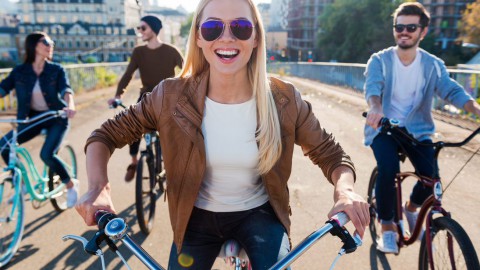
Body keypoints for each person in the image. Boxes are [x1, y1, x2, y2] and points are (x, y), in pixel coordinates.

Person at [76, 0, 369, 268]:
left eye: (240, 28)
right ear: (199, 38)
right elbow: (105, 135)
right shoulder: (169, 95)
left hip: (260, 213)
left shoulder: (284, 99)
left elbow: (331, 154)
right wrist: (98, 188)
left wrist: (344, 190)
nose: (226, 37)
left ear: (255, 38)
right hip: (195, 218)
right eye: (213, 27)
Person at [364, 2, 480, 254]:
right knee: (388, 169)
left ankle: (411, 208)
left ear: (423, 31)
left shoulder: (433, 65)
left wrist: (476, 110)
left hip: (418, 131)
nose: (404, 31)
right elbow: (373, 89)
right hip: (384, 128)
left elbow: (452, 91)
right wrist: (375, 107)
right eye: (399, 26)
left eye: (411, 27)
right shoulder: (380, 61)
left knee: (430, 178)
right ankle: (386, 228)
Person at [0, 31, 78, 207]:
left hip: (56, 117)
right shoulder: (19, 72)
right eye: (46, 42)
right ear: (34, 45)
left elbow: (66, 90)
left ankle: (71, 185)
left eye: (52, 42)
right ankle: (21, 184)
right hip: (31, 119)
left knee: (46, 154)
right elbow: (3, 89)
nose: (51, 45)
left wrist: (70, 105)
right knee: (4, 146)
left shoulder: (56, 70)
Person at [108, 15, 184, 182]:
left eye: (143, 28)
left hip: (167, 98)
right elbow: (128, 75)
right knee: (133, 127)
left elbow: (186, 71)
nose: (140, 31)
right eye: (139, 28)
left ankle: (173, 166)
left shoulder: (171, 51)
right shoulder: (139, 51)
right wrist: (118, 95)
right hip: (145, 97)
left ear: (154, 29)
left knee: (174, 133)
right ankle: (134, 162)